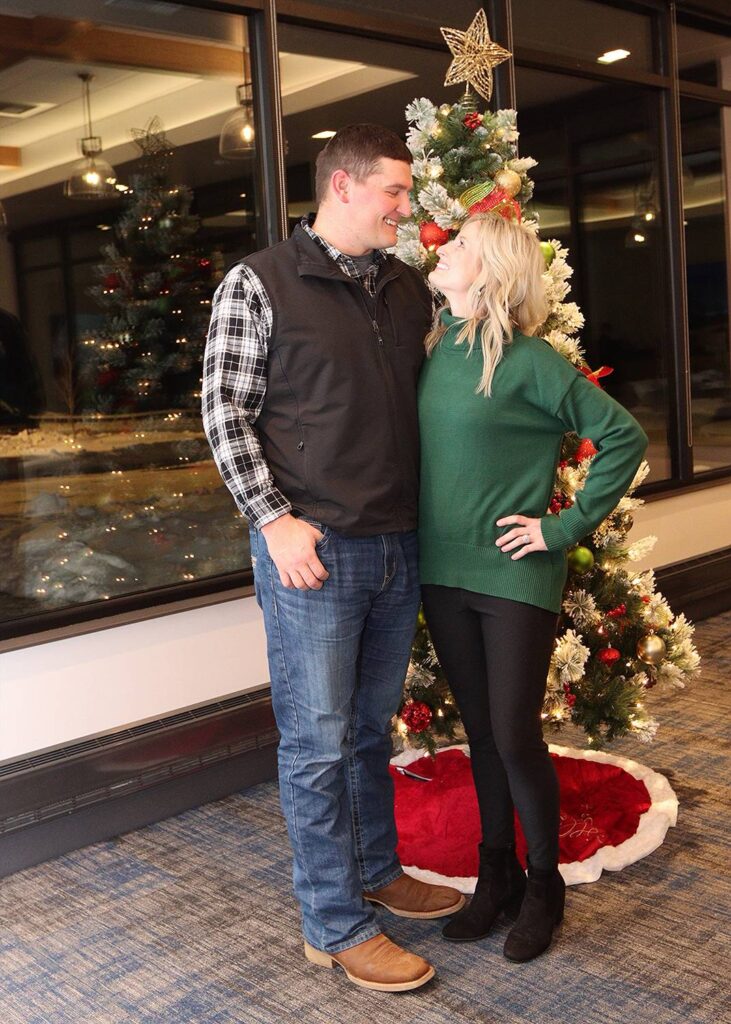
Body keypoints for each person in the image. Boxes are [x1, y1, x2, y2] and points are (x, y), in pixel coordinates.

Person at [202, 123, 464, 993]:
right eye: (394, 190)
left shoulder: (405, 287)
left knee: (366, 731)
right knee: (316, 743)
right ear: (343, 186)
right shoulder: (259, 281)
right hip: (313, 553)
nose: (405, 207)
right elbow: (224, 412)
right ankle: (334, 923)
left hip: (397, 542)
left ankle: (376, 871)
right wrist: (273, 521)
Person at [418, 212, 648, 962]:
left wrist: (562, 527)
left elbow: (624, 437)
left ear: (488, 271)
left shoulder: (530, 360)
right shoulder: (433, 348)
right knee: (481, 734)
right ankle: (498, 876)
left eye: (458, 245)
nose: (440, 247)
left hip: (513, 573)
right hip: (441, 572)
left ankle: (543, 884)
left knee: (514, 734)